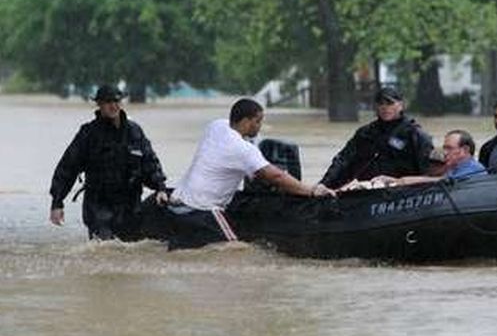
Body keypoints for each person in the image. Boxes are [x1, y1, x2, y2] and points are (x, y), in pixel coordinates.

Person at [165, 98, 334, 248]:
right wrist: (312, 190)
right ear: (246, 122)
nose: (260, 126)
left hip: (179, 202)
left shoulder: (216, 126)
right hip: (204, 210)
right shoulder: (243, 150)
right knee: (236, 250)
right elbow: (276, 176)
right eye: (258, 121)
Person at [49, 84, 168, 241]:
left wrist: (160, 188)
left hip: (130, 205)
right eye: (108, 102)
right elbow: (67, 167)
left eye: (117, 101)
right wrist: (57, 202)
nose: (114, 105)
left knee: (133, 251)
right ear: (99, 105)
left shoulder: (134, 131)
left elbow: (149, 162)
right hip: (98, 206)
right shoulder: (88, 133)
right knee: (104, 250)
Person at [318, 87, 434, 189]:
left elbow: (429, 173)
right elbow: (343, 160)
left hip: (401, 193)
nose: (385, 108)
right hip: (365, 192)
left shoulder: (416, 135)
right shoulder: (365, 133)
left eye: (389, 103)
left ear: (401, 105)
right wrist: (324, 184)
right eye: (381, 103)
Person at [372, 130, 487, 186]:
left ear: (465, 150)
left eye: (449, 148)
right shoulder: (453, 168)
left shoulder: (474, 169)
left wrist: (400, 181)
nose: (445, 152)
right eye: (444, 148)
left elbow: (444, 182)